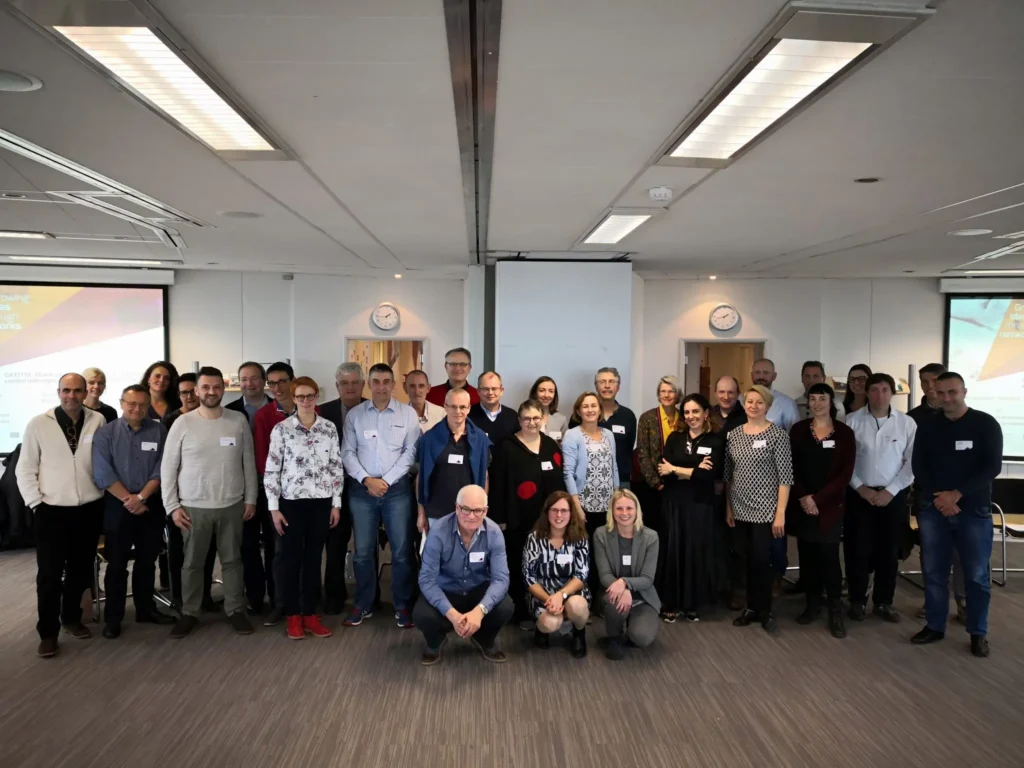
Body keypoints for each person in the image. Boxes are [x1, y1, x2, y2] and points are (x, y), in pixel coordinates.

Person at [162, 366, 258, 639]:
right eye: (205, 387)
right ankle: (190, 613)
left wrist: (250, 498)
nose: (211, 392)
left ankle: (235, 610)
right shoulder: (183, 423)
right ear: (197, 390)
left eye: (216, 387)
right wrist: (172, 506)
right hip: (193, 506)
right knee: (192, 563)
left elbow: (248, 462)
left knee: (232, 561)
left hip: (232, 505)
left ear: (224, 388)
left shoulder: (237, 420)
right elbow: (168, 468)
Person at [911, 372, 1002, 658]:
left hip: (973, 510)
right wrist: (942, 498)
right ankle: (935, 626)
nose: (947, 398)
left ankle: (978, 632)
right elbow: (918, 466)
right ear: (934, 393)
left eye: (953, 392)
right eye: (942, 393)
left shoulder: (985, 424)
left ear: (964, 391)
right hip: (934, 510)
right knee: (935, 572)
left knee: (976, 576)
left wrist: (957, 494)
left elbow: (992, 467)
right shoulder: (927, 427)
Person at [16, 373, 105, 658]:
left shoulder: (97, 420)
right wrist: (36, 504)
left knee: (80, 572)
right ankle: (48, 632)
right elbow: (25, 468)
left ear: (85, 392)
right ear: (58, 392)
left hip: (89, 509)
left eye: (77, 390)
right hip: (51, 511)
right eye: (66, 390)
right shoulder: (39, 424)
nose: (72, 396)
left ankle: (71, 619)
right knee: (50, 576)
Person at [91, 384, 175, 638]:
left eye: (142, 404)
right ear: (121, 403)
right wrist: (129, 500)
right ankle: (113, 617)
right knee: (116, 564)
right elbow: (102, 472)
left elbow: (163, 467)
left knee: (147, 561)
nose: (137, 409)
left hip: (149, 503)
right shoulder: (106, 433)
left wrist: (142, 497)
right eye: (131, 404)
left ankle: (145, 609)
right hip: (118, 505)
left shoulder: (159, 430)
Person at [264, 377, 343, 641]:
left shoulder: (328, 429)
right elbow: (272, 470)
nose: (306, 401)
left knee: (313, 559)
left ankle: (310, 613)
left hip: (321, 502)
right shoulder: (282, 429)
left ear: (317, 396)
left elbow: (335, 468)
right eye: (300, 397)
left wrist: (336, 503)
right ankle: (292, 615)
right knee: (290, 559)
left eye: (310, 396)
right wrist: (274, 508)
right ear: (294, 398)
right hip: (291, 503)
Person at [341, 363, 420, 628]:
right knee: (362, 552)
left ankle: (403, 605)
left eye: (387, 381)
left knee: (401, 552)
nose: (382, 386)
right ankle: (364, 604)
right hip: (362, 491)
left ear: (393, 384)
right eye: (376, 381)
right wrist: (367, 479)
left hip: (396, 491)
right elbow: (347, 453)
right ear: (369, 384)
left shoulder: (408, 414)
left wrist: (384, 481)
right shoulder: (355, 415)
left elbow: (410, 453)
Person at [413, 485, 513, 665]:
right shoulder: (438, 532)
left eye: (477, 510)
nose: (472, 516)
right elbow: (427, 579)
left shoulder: (494, 533)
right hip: (447, 591)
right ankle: (435, 642)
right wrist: (451, 614)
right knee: (421, 614)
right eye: (466, 509)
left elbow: (501, 579)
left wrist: (480, 611)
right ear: (457, 508)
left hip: (477, 590)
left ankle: (484, 639)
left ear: (485, 511)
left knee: (505, 606)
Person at [488, 400, 567, 628]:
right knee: (519, 564)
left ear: (543, 419)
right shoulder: (506, 447)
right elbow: (498, 485)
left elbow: (559, 485)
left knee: (543, 565)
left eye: (536, 418)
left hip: (549, 522)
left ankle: (544, 607)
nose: (531, 423)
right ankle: (520, 611)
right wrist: (499, 519)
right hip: (517, 521)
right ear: (519, 421)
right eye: (526, 418)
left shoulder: (551, 446)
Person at [845, 373, 916, 624]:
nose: (879, 395)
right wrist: (860, 487)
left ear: (892, 393)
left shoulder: (906, 423)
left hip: (892, 496)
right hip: (859, 495)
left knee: (888, 551)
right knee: (857, 550)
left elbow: (911, 464)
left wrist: (891, 491)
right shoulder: (852, 421)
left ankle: (883, 602)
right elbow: (845, 463)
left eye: (885, 390)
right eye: (874, 390)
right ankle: (857, 599)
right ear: (866, 392)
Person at [788, 383, 855, 638]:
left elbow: (844, 474)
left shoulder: (844, 433)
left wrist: (819, 499)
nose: (817, 404)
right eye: (812, 399)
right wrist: (805, 497)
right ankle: (812, 605)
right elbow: (790, 467)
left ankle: (835, 610)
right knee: (807, 557)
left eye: (822, 399)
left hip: (830, 506)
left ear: (832, 402)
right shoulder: (798, 431)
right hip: (803, 504)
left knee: (829, 558)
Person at [724, 385, 793, 634]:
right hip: (740, 509)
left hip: (766, 511)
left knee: (763, 561)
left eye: (759, 402)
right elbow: (728, 475)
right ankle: (751, 608)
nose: (753, 406)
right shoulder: (734, 435)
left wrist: (781, 513)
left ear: (768, 406)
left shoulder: (777, 435)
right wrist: (729, 507)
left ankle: (766, 610)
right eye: (749, 401)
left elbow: (785, 478)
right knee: (745, 559)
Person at [655, 393, 724, 622]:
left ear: (706, 414)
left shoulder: (714, 440)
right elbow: (663, 468)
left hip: (700, 505)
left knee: (695, 552)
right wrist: (692, 469)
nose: (691, 416)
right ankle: (671, 602)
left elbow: (709, 475)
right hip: (674, 504)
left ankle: (691, 603)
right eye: (686, 412)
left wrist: (677, 469)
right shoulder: (674, 438)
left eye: (696, 411)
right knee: (673, 552)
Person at [907, 363, 965, 621]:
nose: (930, 388)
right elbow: (915, 461)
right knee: (930, 551)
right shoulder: (914, 417)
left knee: (962, 552)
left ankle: (963, 602)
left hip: (960, 498)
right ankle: (933, 604)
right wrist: (935, 493)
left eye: (935, 382)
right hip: (928, 495)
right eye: (924, 382)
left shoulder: (966, 418)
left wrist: (954, 494)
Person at [249, 362, 300, 620]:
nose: (277, 387)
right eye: (273, 383)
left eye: (282, 381)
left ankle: (304, 600)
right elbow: (262, 459)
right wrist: (274, 495)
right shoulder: (264, 416)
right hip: (278, 495)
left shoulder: (310, 410)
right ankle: (279, 603)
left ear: (293, 381)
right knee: (277, 550)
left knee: (303, 549)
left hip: (307, 495)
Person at [161, 373, 216, 611]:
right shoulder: (172, 421)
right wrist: (172, 502)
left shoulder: (213, 418)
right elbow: (167, 464)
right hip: (181, 499)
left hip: (207, 498)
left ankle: (204, 595)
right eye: (185, 392)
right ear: (179, 395)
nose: (190, 396)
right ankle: (180, 598)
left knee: (206, 550)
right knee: (179, 552)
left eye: (194, 390)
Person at [320, 362, 368, 614]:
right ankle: (334, 595)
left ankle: (369, 594)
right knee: (335, 544)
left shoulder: (374, 409)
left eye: (355, 382)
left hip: (364, 489)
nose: (350, 387)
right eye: (344, 383)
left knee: (365, 546)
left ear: (362, 384)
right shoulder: (322, 412)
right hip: (332, 491)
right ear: (337, 385)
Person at [593, 489, 661, 660]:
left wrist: (624, 583)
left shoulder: (651, 537)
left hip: (643, 597)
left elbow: (647, 579)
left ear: (636, 510)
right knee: (615, 602)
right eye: (619, 508)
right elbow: (605, 575)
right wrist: (622, 589)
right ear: (612, 511)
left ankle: (632, 625)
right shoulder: (601, 534)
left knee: (642, 638)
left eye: (629, 508)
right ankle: (614, 637)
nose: (624, 513)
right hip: (613, 593)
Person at [522, 491, 590, 658]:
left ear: (571, 513)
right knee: (551, 622)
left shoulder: (579, 537)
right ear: (547, 512)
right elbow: (528, 576)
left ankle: (579, 633)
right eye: (554, 510)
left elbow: (582, 574)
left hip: (571, 591)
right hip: (542, 594)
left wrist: (561, 595)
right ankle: (542, 630)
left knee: (577, 606)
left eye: (564, 511)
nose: (559, 515)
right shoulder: (534, 538)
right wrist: (549, 600)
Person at [417, 389, 490, 532]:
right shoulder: (430, 438)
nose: (458, 411)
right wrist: (421, 513)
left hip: (469, 513)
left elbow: (484, 476)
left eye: (462, 407)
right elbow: (422, 478)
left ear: (468, 408)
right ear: (445, 407)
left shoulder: (480, 439)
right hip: (437, 512)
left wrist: (481, 511)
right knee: (438, 554)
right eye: (453, 406)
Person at [568, 367, 637, 489]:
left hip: (621, 481)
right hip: (586, 481)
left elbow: (629, 448)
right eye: (602, 382)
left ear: (618, 387)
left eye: (611, 382)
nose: (607, 386)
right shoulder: (582, 416)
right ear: (596, 386)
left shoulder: (628, 416)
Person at [562, 392, 619, 538]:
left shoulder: (609, 434)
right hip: (584, 504)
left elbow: (614, 467)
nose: (590, 410)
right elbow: (568, 473)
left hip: (607, 504)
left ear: (600, 409)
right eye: (585, 406)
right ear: (578, 411)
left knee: (604, 549)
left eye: (593, 406)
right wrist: (577, 506)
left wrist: (617, 498)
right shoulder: (572, 435)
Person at [634, 375, 682, 532]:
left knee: (675, 528)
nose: (666, 395)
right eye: (663, 391)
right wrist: (657, 483)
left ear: (678, 394)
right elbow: (642, 454)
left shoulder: (683, 418)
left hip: (679, 483)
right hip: (652, 486)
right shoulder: (647, 418)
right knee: (654, 528)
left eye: (671, 391)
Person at [469, 371, 519, 446]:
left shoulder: (513, 416)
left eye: (494, 388)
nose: (490, 393)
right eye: (486, 389)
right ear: (478, 391)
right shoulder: (468, 415)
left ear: (501, 391)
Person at [751, 358, 799, 432]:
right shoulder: (743, 402)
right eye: (757, 372)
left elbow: (795, 434)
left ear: (774, 376)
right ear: (752, 375)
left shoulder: (787, 403)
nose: (761, 377)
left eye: (766, 373)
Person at [225, 361, 272, 427]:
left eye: (254, 378)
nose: (249, 383)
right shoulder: (229, 411)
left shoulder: (280, 408)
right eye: (244, 379)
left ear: (264, 380)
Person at [529, 376, 568, 442]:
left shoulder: (561, 419)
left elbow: (564, 447)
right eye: (542, 390)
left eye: (551, 391)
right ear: (535, 393)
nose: (546, 395)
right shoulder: (525, 417)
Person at [404, 369, 444, 433]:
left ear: (428, 388)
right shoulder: (397, 415)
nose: (417, 391)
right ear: (405, 388)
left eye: (421, 386)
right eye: (412, 386)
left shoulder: (441, 414)